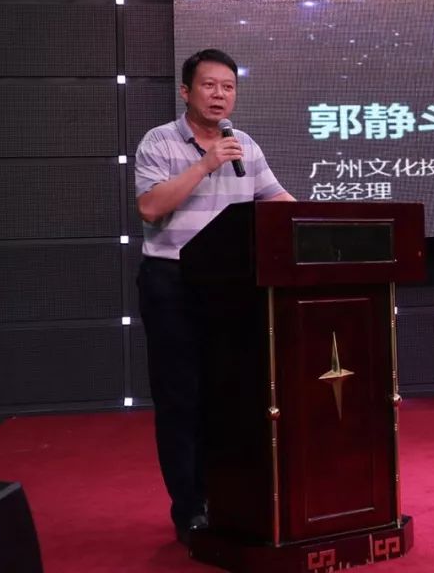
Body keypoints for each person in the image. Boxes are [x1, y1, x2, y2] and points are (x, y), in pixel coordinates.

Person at [134, 48, 294, 544]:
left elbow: (275, 200)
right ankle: (190, 508)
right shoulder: (159, 141)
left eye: (228, 87)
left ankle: (231, 498)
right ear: (186, 91)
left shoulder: (245, 144)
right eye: (209, 85)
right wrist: (205, 164)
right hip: (172, 284)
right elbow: (150, 207)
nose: (220, 94)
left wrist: (320, 224)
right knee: (181, 398)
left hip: (232, 287)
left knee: (232, 395)